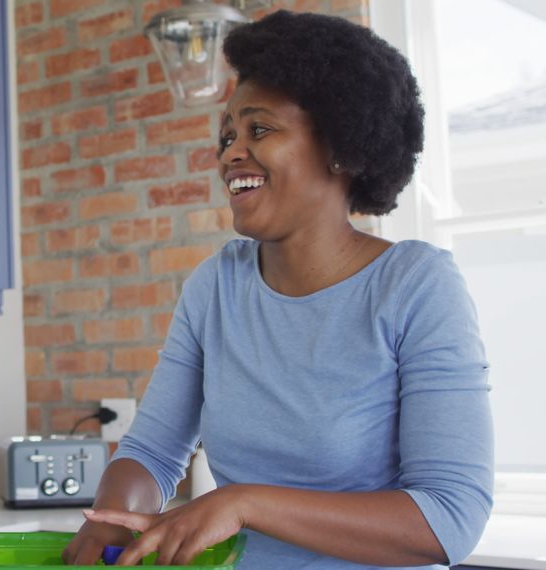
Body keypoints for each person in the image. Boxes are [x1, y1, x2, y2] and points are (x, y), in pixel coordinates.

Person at [63, 10, 492, 569]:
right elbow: (151, 453)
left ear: (340, 147)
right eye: (227, 135)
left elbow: (450, 517)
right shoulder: (216, 286)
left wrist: (245, 503)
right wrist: (111, 521)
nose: (230, 153)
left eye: (259, 129)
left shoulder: (416, 287)